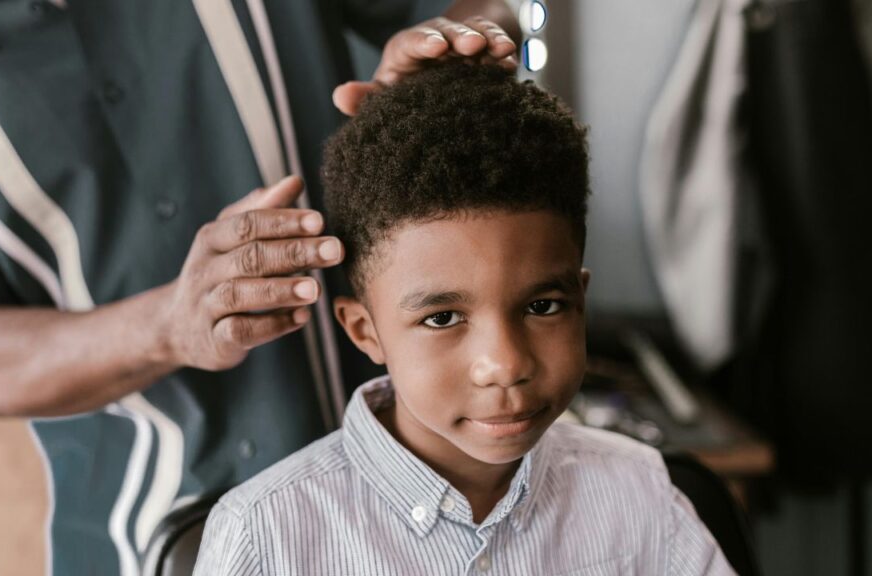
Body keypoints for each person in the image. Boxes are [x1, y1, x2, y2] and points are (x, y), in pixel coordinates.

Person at [0, 0, 519, 574]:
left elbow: (481, 9)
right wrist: (167, 325)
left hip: (423, 485)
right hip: (135, 538)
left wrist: (450, 65)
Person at [194, 62, 735, 575]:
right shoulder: (266, 536)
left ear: (581, 301)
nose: (504, 365)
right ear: (366, 331)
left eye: (543, 306)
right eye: (443, 317)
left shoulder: (639, 492)